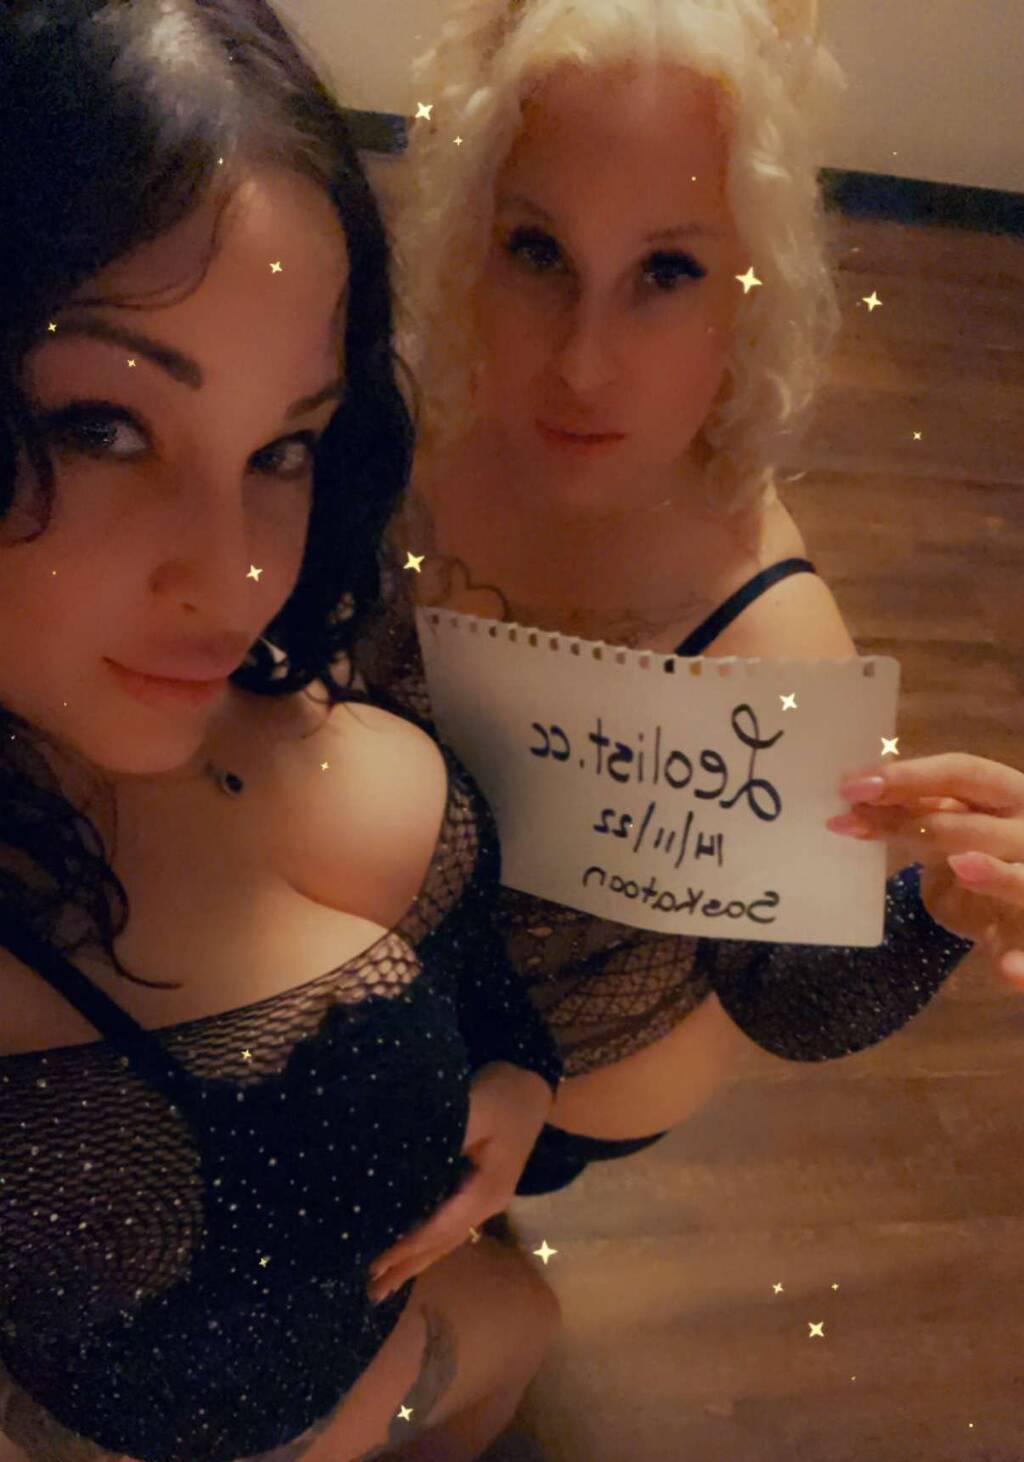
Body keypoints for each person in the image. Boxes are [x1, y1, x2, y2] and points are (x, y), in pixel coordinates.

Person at [352, 0, 1024, 1264]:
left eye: (665, 272)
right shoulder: (403, 427)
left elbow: (790, 1002)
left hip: (579, 1070)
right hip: (364, 991)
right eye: (537, 250)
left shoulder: (768, 641)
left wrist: (939, 906)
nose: (582, 363)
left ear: (752, 287)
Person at [0, 4, 566, 1461]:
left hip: (440, 1360)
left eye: (283, 445)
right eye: (103, 427)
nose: (237, 572)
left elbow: (479, 982)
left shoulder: (313, 678)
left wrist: (513, 1078)